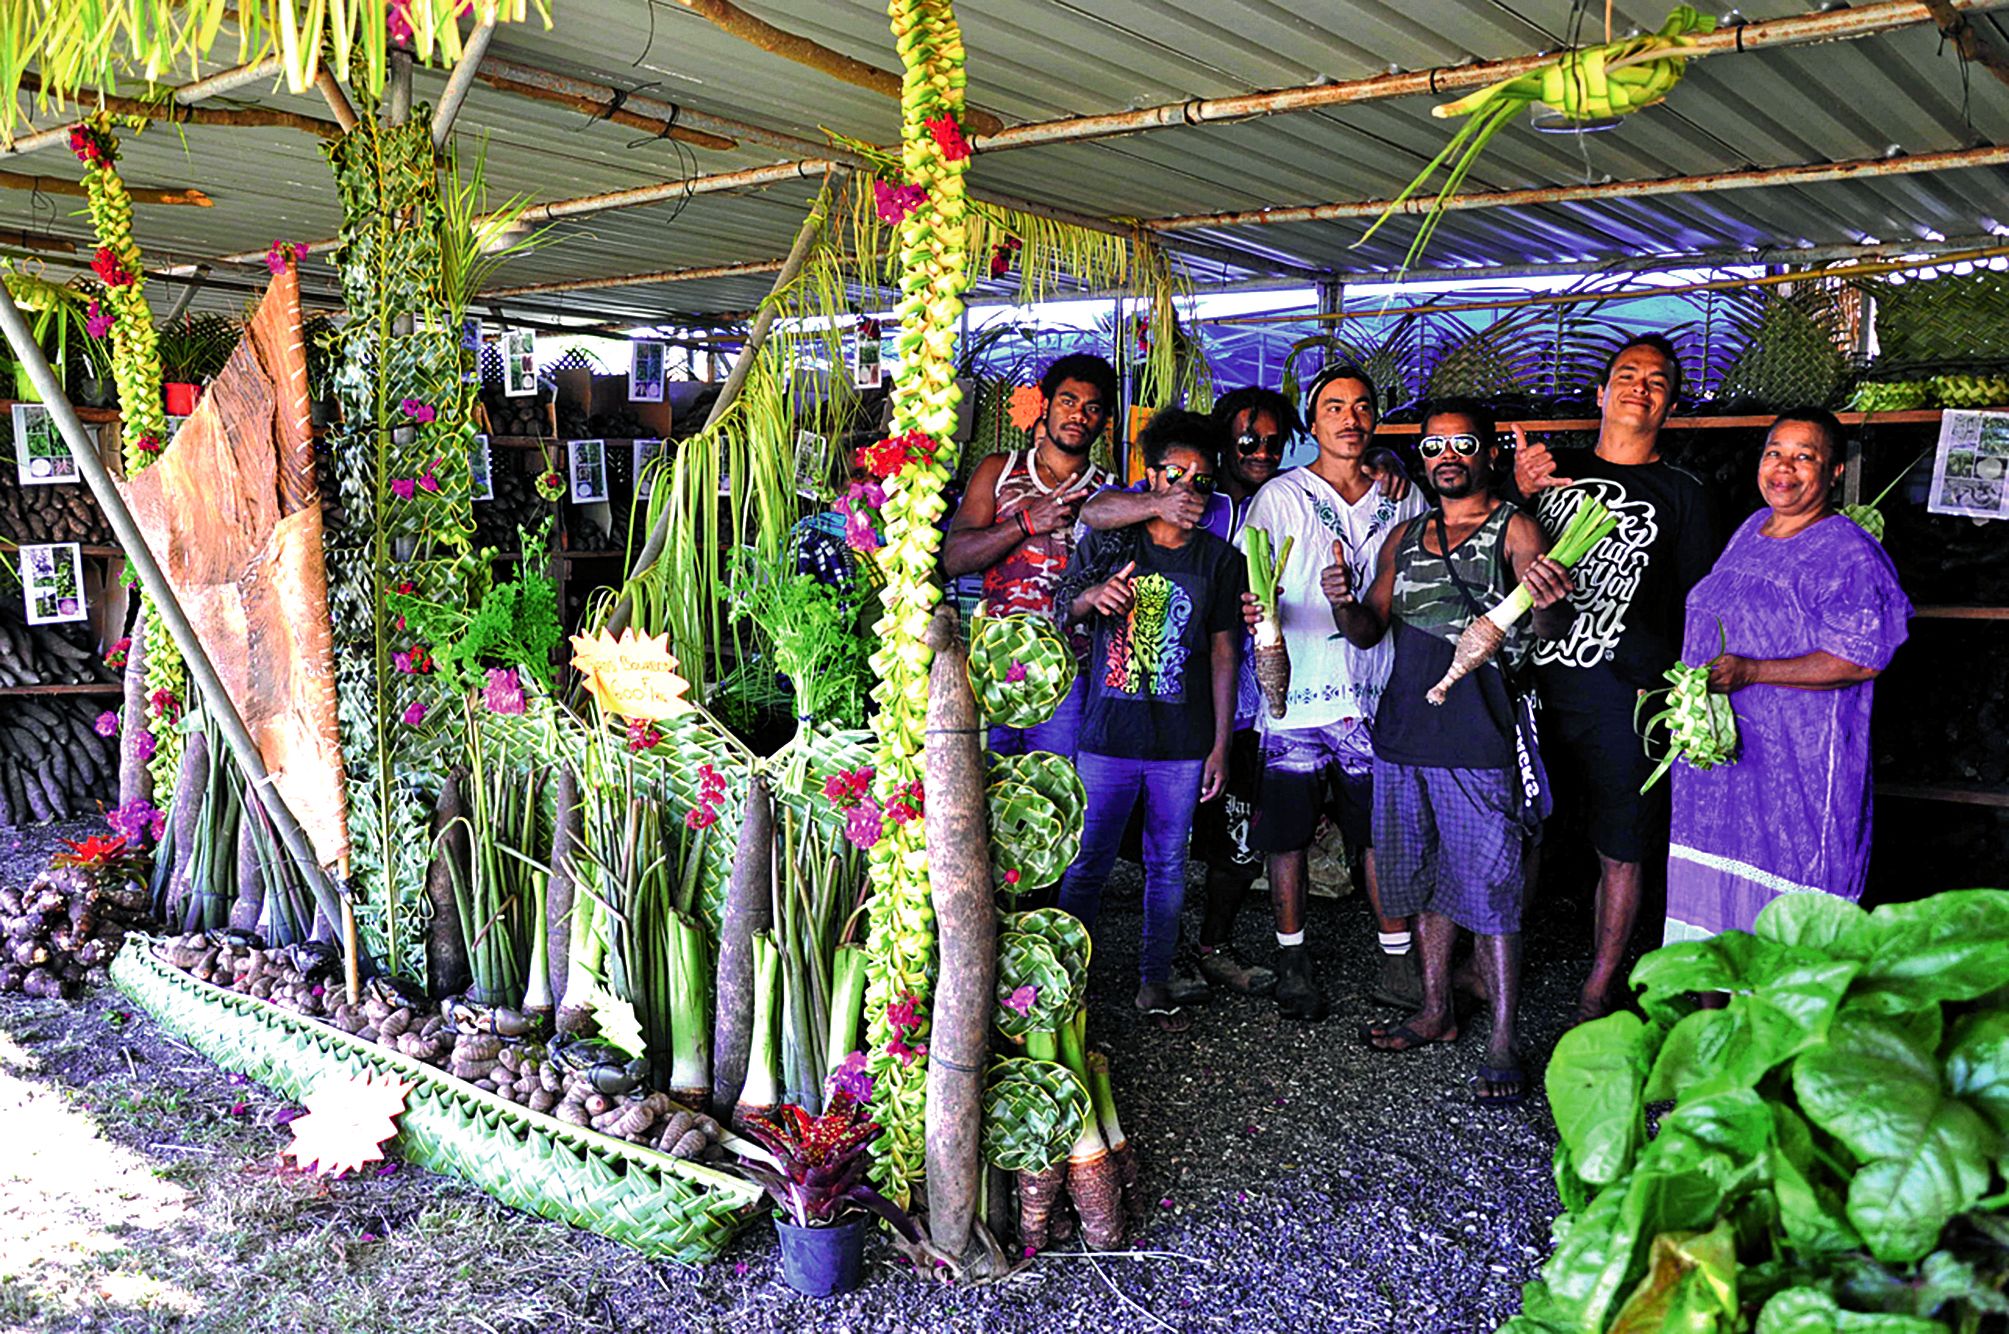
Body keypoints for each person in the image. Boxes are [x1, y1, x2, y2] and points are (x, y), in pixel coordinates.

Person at [1337, 399, 1573, 1105]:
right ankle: (1435, 1010)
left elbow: (1552, 626)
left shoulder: (1514, 528)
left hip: (1478, 739)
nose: (1447, 456)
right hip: (1404, 734)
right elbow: (1368, 629)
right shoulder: (1405, 535)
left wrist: (1549, 597)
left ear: (1488, 453)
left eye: (1462, 444)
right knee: (1423, 881)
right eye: (1434, 446)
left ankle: (1502, 1039)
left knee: (1493, 892)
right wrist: (1341, 601)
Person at [1512, 334, 1716, 1024]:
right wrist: (1518, 489)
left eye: (1656, 382)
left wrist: (1671, 688)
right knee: (1523, 829)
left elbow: (1698, 604)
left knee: (1621, 846)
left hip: (1626, 697)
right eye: (1627, 375)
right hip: (1536, 687)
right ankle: (1494, 968)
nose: (1640, 387)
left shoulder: (1685, 493)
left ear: (1671, 405)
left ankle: (1598, 987)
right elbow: (1487, 534)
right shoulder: (1549, 471)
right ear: (1600, 394)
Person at [1662, 408, 1910, 943]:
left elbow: (1861, 656)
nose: (1784, 468)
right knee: (1713, 912)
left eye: (1804, 457)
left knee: (1788, 916)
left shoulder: (1849, 553)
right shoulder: (1752, 528)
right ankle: (1712, 998)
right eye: (1775, 452)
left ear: (1834, 471)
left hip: (1796, 766)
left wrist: (1754, 671)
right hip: (1725, 765)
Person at [1238, 364, 1428, 1021]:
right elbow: (1255, 585)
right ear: (1312, 423)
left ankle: (1397, 958)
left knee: (1378, 833)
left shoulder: (1403, 496)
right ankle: (1292, 959)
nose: (1350, 418)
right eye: (1334, 407)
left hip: (1376, 693)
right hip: (1296, 693)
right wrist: (1253, 611)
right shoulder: (1279, 497)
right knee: (1286, 836)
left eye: (1362, 406)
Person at [1052, 410, 1246, 1031]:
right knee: (1088, 863)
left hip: (1182, 742)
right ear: (1151, 476)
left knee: (1168, 866)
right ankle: (1066, 987)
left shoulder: (1221, 560)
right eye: (1174, 474)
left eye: (1202, 479)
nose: (1188, 488)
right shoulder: (1114, 542)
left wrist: (1219, 744)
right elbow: (1063, 605)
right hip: (1108, 735)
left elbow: (1225, 654)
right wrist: (1092, 598)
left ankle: (1154, 981)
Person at [943, 353, 1118, 758]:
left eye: (1092, 408)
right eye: (1068, 401)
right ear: (1046, 405)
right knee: (985, 782)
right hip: (995, 665)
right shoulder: (1000, 470)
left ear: (1104, 421)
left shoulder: (1110, 493)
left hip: (1069, 674)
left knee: (1054, 785)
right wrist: (1024, 523)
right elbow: (955, 559)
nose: (1078, 415)